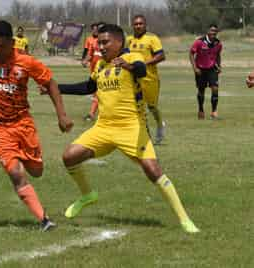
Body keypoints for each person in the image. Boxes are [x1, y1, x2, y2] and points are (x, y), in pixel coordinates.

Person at [54, 24, 200, 233]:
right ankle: (87, 195)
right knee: (69, 156)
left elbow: (141, 70)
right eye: (99, 43)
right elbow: (88, 87)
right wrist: (56, 87)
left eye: (105, 42)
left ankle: (185, 220)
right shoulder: (100, 65)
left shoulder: (131, 58)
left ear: (119, 42)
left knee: (153, 170)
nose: (101, 47)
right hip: (103, 128)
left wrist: (128, 66)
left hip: (132, 128)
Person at [0, 20, 73, 231]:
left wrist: (62, 115)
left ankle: (21, 157)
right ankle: (44, 220)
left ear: (12, 42)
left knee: (36, 170)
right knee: (16, 173)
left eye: (1, 46)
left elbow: (50, 83)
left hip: (22, 124)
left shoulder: (26, 62)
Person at [126, 15, 166, 144]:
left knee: (152, 107)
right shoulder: (129, 40)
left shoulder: (152, 38)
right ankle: (143, 134)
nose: (138, 26)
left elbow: (161, 56)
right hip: (134, 79)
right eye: (136, 24)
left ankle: (160, 124)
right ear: (133, 25)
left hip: (150, 79)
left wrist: (145, 63)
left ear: (145, 25)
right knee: (137, 107)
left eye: (140, 24)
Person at [189, 24, 222, 120]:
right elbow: (191, 53)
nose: (213, 33)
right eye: (212, 30)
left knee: (215, 88)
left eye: (215, 31)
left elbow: (218, 55)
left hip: (212, 69)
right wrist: (195, 68)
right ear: (208, 31)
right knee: (201, 90)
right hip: (200, 69)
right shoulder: (199, 42)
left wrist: (219, 66)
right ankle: (201, 110)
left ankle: (214, 111)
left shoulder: (218, 43)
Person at [81, 22, 104, 121]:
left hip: (106, 72)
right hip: (94, 71)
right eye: (97, 29)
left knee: (99, 92)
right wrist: (85, 60)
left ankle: (91, 114)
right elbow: (89, 53)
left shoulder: (109, 41)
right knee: (97, 92)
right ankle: (92, 114)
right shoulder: (93, 41)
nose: (97, 30)